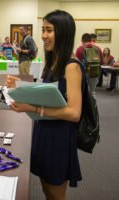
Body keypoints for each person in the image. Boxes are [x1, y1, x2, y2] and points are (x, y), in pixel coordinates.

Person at [7, 10, 83, 199]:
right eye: (43, 30)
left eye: (49, 30)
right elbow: (49, 92)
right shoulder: (53, 61)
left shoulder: (71, 66)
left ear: (63, 32)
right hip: (44, 130)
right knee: (47, 189)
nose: (43, 36)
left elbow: (74, 113)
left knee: (56, 193)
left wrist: (32, 108)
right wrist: (21, 87)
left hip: (58, 137)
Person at [75, 33, 103, 98]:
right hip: (95, 72)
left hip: (84, 73)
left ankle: (84, 107)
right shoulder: (97, 48)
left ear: (82, 41)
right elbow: (102, 62)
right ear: (91, 40)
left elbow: (76, 63)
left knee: (83, 91)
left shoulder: (80, 49)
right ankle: (93, 107)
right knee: (92, 92)